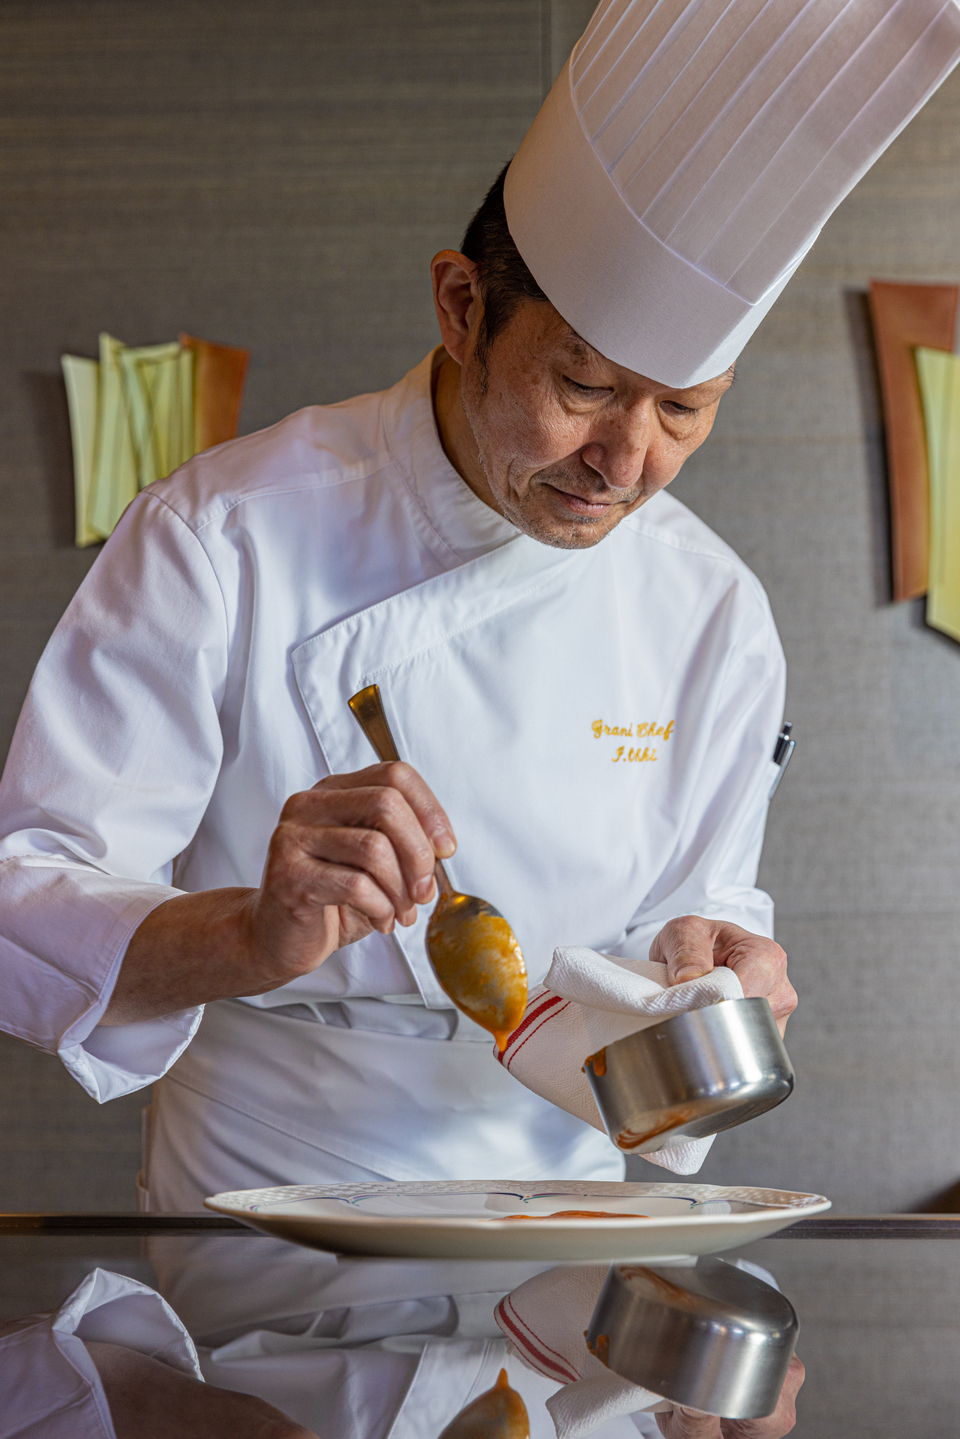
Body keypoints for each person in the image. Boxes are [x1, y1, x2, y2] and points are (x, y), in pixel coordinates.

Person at [1, 0, 959, 1209]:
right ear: (462, 308)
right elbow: (25, 895)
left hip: (577, 1224)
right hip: (267, 1227)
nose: (626, 461)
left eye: (685, 409)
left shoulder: (711, 608)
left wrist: (720, 962)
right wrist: (252, 930)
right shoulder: (223, 533)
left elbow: (694, 900)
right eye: (584, 384)